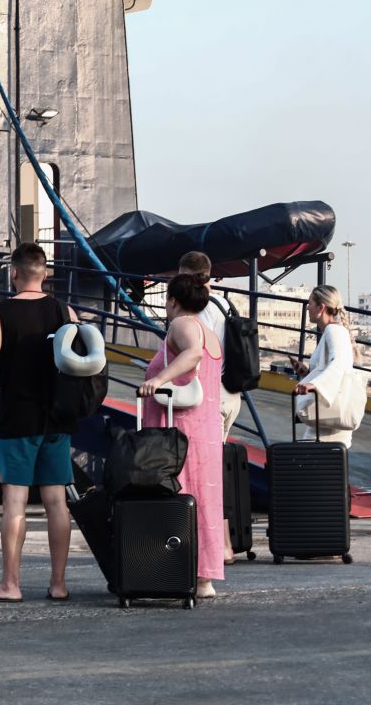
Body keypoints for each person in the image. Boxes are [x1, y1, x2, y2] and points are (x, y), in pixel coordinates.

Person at [0, 242, 78, 603]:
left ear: (13, 273)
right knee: (56, 502)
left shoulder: (0, 313)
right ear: (45, 273)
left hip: (18, 417)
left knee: (15, 503)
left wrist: (7, 382)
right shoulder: (64, 310)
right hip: (57, 418)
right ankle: (59, 584)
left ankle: (11, 584)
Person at [139, 273, 226, 599]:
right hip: (204, 431)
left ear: (173, 300)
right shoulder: (211, 331)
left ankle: (171, 567)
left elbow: (193, 354)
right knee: (202, 501)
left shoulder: (182, 325)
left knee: (173, 493)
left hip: (180, 430)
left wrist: (158, 378)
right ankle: (203, 577)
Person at [178, 250, 241, 564]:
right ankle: (223, 543)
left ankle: (221, 546)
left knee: (206, 475)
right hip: (232, 394)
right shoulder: (225, 304)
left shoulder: (199, 310)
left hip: (209, 399)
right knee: (215, 471)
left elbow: (196, 354)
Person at [294, 285, 359, 448]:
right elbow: (330, 367)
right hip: (325, 421)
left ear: (321, 307)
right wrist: (307, 373)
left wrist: (314, 385)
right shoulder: (333, 331)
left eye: (310, 303)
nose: (307, 307)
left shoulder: (333, 331)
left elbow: (340, 363)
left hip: (328, 427)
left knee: (305, 464)